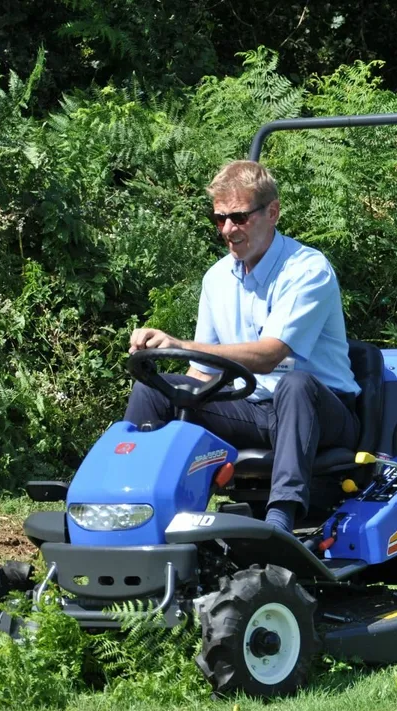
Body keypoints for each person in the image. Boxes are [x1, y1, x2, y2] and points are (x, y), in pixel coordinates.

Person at [124, 160, 360, 535]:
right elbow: (201, 371)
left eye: (239, 218)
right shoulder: (216, 279)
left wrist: (178, 342)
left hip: (322, 412)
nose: (228, 230)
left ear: (273, 212)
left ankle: (280, 520)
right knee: (154, 392)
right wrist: (179, 387)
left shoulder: (307, 270)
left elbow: (269, 356)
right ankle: (132, 504)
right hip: (252, 410)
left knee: (294, 384)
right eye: (219, 219)